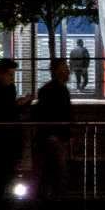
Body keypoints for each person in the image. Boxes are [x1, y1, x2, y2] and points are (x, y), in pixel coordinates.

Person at [0, 58, 32, 199]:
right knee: (0, 175)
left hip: (3, 141)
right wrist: (20, 105)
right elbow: (4, 112)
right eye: (10, 75)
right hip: (1, 142)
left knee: (0, 175)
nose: (13, 78)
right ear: (2, 74)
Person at [33, 58, 72, 199]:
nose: (68, 70)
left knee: (49, 174)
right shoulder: (55, 90)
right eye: (65, 67)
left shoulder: (51, 89)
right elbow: (51, 114)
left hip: (53, 137)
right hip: (53, 138)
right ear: (56, 71)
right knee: (56, 174)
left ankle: (46, 203)